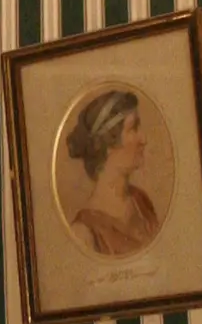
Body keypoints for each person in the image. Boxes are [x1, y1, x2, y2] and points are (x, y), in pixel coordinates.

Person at [64, 89, 162, 256]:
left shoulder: (141, 202)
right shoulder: (84, 232)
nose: (143, 139)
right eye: (133, 128)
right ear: (108, 144)